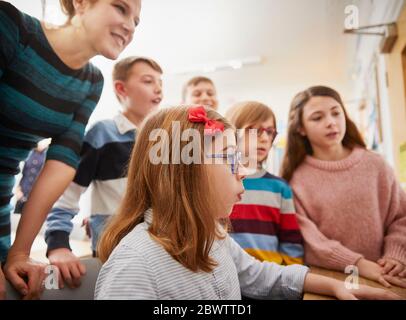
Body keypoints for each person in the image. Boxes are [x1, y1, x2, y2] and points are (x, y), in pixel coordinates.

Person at [94, 105, 399, 300]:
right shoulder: (133, 268)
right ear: (183, 172)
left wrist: (334, 285)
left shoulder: (212, 236)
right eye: (229, 158)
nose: (242, 171)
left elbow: (258, 274)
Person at [0, 0, 141, 299]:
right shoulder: (12, 27)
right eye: (120, 8)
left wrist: (20, 251)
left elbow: (61, 164)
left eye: (136, 21)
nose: (130, 26)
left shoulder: (91, 81)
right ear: (80, 2)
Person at [45, 56, 162, 289]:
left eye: (161, 82)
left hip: (158, 254)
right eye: (148, 81)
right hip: (114, 254)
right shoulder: (102, 134)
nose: (158, 88)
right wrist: (58, 244)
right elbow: (67, 193)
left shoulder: (163, 138)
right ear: (121, 88)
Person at [280, 85, 406, 289]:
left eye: (336, 113)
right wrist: (359, 264)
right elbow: (311, 241)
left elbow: (401, 217)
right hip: (331, 280)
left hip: (389, 275)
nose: (331, 122)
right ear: (300, 128)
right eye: (317, 117)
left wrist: (396, 256)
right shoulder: (295, 181)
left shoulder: (376, 164)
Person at [225, 101, 304, 266]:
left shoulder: (280, 188)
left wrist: (289, 276)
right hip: (228, 278)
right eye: (254, 131)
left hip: (273, 280)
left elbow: (291, 242)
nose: (264, 138)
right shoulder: (218, 184)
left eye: (270, 132)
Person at [14, 139, 51, 214]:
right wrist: (17, 189)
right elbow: (19, 172)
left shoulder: (48, 155)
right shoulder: (28, 153)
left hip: (37, 195)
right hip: (22, 193)